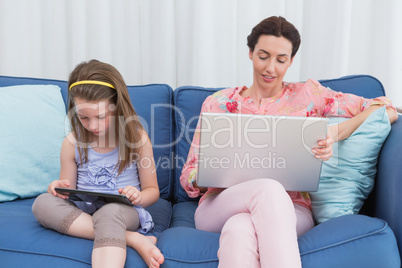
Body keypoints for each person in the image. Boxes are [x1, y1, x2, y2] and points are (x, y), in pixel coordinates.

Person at [180, 16, 398, 268]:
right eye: (263, 56)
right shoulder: (218, 103)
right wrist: (208, 174)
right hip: (220, 205)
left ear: (291, 60)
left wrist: (335, 133)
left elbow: (384, 107)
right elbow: (188, 176)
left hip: (292, 210)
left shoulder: (309, 95)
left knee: (240, 230)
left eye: (281, 60)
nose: (271, 67)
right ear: (250, 53)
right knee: (268, 189)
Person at [32, 60, 165, 268]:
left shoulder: (138, 139)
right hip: (84, 211)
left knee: (109, 213)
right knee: (42, 203)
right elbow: (70, 190)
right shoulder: (71, 143)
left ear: (118, 108)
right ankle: (132, 238)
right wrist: (59, 188)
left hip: (123, 212)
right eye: (83, 118)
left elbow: (153, 190)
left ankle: (121, 231)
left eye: (101, 117)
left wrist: (139, 196)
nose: (93, 125)